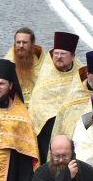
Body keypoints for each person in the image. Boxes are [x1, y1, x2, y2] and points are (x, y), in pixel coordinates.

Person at [30, 32, 87, 163]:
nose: (58, 57)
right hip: (47, 129)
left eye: (63, 54)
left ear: (72, 56)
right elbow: (38, 104)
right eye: (56, 53)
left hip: (73, 126)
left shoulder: (80, 74)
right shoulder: (46, 73)